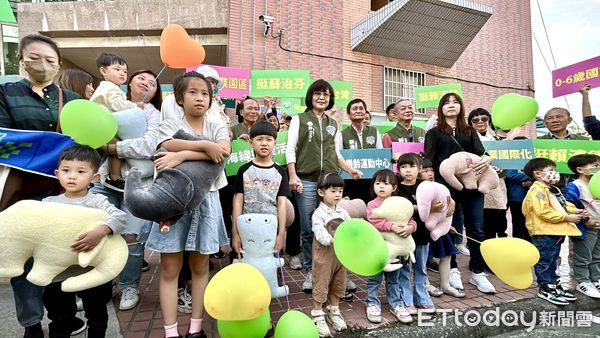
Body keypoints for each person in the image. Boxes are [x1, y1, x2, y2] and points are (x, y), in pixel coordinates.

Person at [0, 34, 82, 338]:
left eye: (50, 60)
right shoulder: (5, 93)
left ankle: (63, 319)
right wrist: (53, 147)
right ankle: (31, 324)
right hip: (18, 193)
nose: (43, 65)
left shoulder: (72, 100)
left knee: (61, 256)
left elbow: (83, 144)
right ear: (21, 59)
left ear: (58, 65)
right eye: (35, 58)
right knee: (23, 261)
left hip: (62, 192)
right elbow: (5, 139)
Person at [146, 72, 230, 338]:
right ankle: (170, 332)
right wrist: (205, 146)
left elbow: (223, 153)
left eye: (205, 93)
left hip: (207, 200)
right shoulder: (169, 123)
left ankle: (195, 329)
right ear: (180, 98)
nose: (199, 98)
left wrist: (182, 154)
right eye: (193, 92)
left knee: (200, 267)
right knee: (170, 269)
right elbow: (165, 145)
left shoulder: (217, 123)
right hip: (173, 202)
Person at [95, 69, 162, 311]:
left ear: (156, 91)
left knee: (132, 238)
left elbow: (150, 145)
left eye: (152, 82)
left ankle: (129, 286)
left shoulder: (155, 114)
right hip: (105, 183)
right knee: (101, 234)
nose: (146, 83)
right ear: (129, 83)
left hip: (139, 185)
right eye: (140, 78)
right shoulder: (112, 105)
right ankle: (101, 286)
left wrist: (113, 148)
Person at [285, 79, 362, 292]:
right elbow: (290, 149)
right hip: (306, 181)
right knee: (310, 228)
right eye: (318, 93)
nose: (322, 97)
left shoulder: (333, 124)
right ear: (310, 96)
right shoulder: (299, 119)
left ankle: (338, 271)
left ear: (330, 99)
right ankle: (312, 271)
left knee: (335, 225)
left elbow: (336, 154)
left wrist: (350, 170)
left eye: (326, 95)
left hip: (329, 182)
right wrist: (293, 175)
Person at [42, 145, 126, 338]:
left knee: (97, 315)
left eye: (80, 171)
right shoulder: (49, 204)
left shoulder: (97, 201)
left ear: (94, 177)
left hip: (92, 271)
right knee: (60, 318)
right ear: (57, 173)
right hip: (58, 273)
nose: (72, 176)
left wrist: (101, 231)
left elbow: (120, 218)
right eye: (66, 170)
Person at [424, 93, 496, 294]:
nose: (451, 106)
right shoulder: (434, 132)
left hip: (472, 187)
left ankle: (477, 271)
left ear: (461, 107)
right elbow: (428, 161)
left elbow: (484, 154)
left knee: (477, 228)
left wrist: (487, 160)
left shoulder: (470, 131)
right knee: (449, 228)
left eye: (455, 102)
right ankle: (453, 269)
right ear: (441, 109)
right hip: (446, 187)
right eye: (446, 103)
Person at [522, 158, 582, 305]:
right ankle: (545, 287)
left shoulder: (551, 189)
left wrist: (576, 211)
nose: (555, 174)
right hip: (544, 231)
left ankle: (553, 285)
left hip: (554, 230)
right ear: (537, 174)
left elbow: (561, 204)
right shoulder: (537, 190)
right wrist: (566, 217)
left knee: (553, 259)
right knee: (544, 261)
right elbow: (544, 211)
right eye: (551, 171)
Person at [231, 120, 289, 255]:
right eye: (259, 139)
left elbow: (281, 204)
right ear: (251, 142)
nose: (264, 143)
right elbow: (238, 202)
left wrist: (281, 234)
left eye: (269, 139)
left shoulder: (280, 172)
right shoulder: (244, 170)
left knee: (269, 264)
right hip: (247, 227)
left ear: (275, 143)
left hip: (270, 228)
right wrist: (235, 233)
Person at [365, 169, 414, 324]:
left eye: (386, 184)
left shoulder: (399, 202)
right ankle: (372, 303)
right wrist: (391, 226)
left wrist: (411, 227)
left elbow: (410, 218)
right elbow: (374, 220)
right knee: (375, 277)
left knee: (394, 278)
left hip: (396, 248)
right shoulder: (372, 205)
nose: (381, 187)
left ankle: (396, 304)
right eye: (378, 183)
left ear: (393, 187)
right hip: (378, 248)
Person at [89, 52, 142, 191]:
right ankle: (114, 178)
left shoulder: (106, 87)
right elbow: (118, 106)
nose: (122, 73)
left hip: (99, 125)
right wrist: (136, 106)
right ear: (103, 71)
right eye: (117, 69)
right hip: (103, 126)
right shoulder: (110, 88)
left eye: (125, 71)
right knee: (118, 149)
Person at [395, 154, 439, 314]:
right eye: (403, 167)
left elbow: (441, 199)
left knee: (421, 269)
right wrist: (425, 207)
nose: (408, 170)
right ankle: (406, 299)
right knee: (405, 270)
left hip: (423, 235)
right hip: (405, 237)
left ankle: (422, 298)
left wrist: (447, 204)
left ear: (419, 169)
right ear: (398, 170)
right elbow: (401, 207)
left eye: (412, 167)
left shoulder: (426, 186)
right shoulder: (396, 188)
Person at [310, 173, 350, 337]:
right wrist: (331, 239)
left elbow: (350, 228)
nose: (337, 195)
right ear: (321, 193)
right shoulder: (318, 214)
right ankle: (318, 314)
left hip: (340, 256)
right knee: (321, 282)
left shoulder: (343, 212)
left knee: (338, 283)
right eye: (333, 191)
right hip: (324, 255)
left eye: (340, 191)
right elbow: (319, 232)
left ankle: (334, 310)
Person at [417, 159, 463, 298]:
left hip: (441, 229)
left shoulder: (439, 187)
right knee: (423, 258)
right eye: (425, 171)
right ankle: (426, 283)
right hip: (424, 230)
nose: (430, 173)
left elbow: (447, 206)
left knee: (447, 255)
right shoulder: (418, 189)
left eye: (431, 170)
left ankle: (445, 284)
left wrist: (449, 223)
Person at [563, 154, 600, 298]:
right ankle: (583, 281)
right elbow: (568, 205)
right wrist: (585, 220)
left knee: (597, 256)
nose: (598, 169)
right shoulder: (575, 186)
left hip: (599, 226)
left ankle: (596, 279)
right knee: (583, 256)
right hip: (586, 227)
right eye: (595, 166)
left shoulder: (597, 182)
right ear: (580, 169)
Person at [467, 108, 508, 240]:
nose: (480, 122)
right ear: (470, 123)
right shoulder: (467, 140)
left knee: (499, 219)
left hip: (497, 185)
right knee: (480, 222)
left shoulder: (497, 140)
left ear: (489, 121)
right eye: (475, 120)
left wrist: (501, 170)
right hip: (477, 184)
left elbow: (507, 162)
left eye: (484, 119)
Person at [161, 65, 229, 126]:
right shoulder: (171, 100)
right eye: (211, 81)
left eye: (216, 83)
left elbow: (218, 126)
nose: (214, 85)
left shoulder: (214, 104)